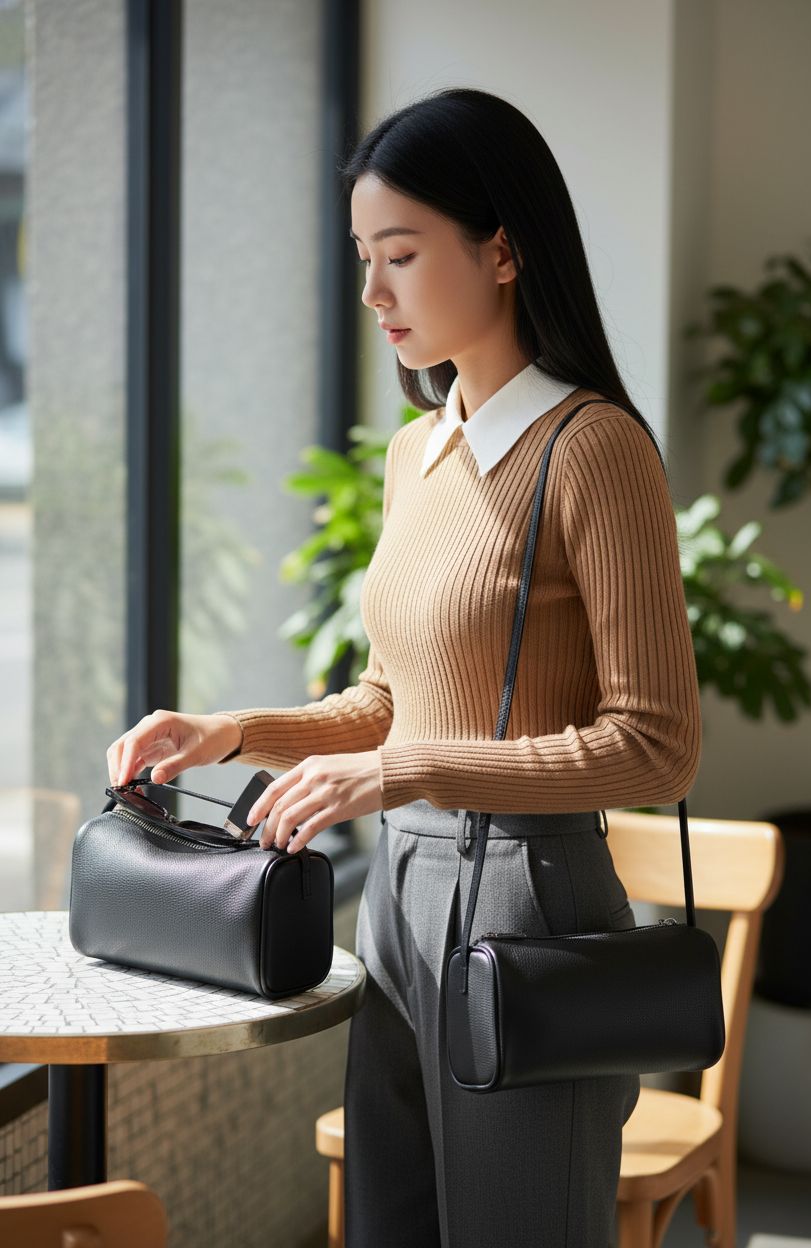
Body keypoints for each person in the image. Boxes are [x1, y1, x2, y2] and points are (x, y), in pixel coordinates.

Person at [107, 87, 701, 1248]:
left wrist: (403, 771)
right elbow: (387, 703)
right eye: (362, 256)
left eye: (401, 255)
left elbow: (656, 742)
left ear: (501, 252)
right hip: (399, 899)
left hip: (534, 904)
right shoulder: (417, 452)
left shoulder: (595, 451)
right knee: (392, 1223)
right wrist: (230, 732)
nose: (372, 293)